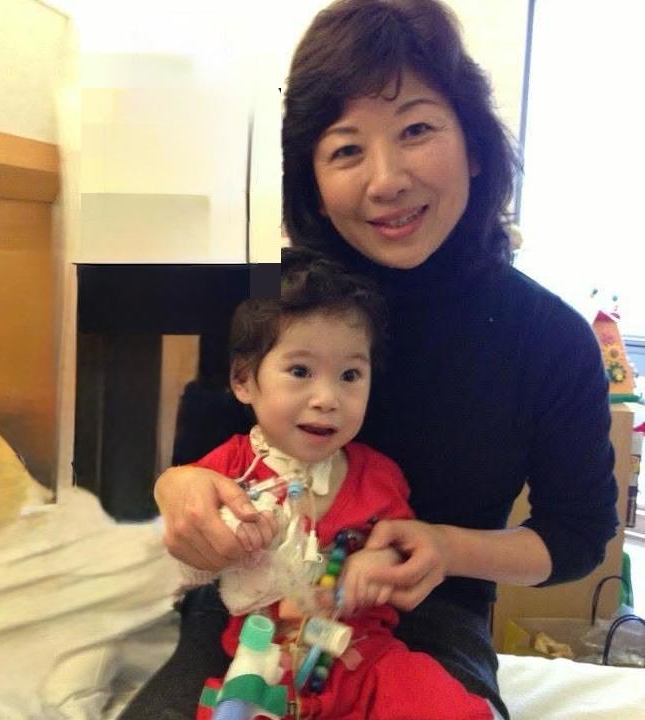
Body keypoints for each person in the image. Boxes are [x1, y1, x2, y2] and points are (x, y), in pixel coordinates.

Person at [120, 1, 618, 718]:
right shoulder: (261, 299)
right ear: (314, 186)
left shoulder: (548, 338)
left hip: (427, 616)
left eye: (416, 130)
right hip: (246, 610)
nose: (386, 181)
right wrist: (178, 491)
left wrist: (447, 548)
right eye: (346, 149)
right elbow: (190, 469)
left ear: (474, 146)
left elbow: (575, 536)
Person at [181, 247, 496, 719]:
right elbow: (183, 543)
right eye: (300, 371)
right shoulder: (228, 468)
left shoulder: (378, 477)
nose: (327, 398)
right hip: (263, 663)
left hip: (364, 656)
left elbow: (404, 549)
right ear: (244, 380)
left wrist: (377, 563)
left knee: (444, 706)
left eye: (350, 375)